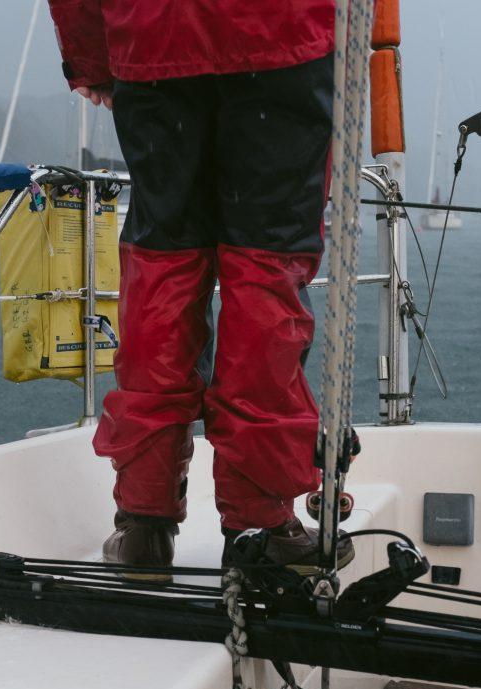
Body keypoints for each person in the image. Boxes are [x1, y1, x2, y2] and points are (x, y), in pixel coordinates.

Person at [48, 0, 354, 580]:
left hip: (152, 38)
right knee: (265, 272)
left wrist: (92, 56)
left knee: (162, 267)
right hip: (279, 35)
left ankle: (144, 521)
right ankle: (260, 521)